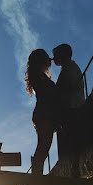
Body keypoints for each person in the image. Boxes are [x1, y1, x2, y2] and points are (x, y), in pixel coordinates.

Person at [25, 48, 58, 178]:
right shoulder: (39, 77)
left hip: (42, 114)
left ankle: (35, 178)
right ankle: (35, 179)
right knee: (44, 147)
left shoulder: (37, 76)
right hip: (44, 115)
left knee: (43, 146)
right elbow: (49, 93)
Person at [51, 43, 86, 109]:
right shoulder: (71, 66)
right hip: (76, 106)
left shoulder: (68, 68)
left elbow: (60, 90)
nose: (53, 58)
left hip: (73, 107)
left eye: (55, 55)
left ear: (62, 54)